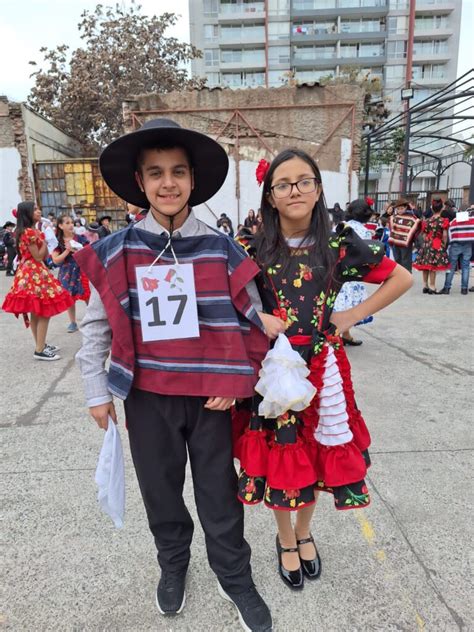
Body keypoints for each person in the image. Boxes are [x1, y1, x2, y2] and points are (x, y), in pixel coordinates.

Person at [74, 118, 272, 632]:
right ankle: (172, 566)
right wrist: (98, 393)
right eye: (156, 172)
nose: (168, 183)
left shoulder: (222, 248)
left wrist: (235, 382)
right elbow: (96, 326)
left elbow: (249, 321)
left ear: (192, 180)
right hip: (147, 397)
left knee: (218, 494)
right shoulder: (116, 251)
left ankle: (235, 577)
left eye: (178, 172)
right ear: (140, 182)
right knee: (161, 491)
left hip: (210, 399)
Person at [233, 148, 412, 591]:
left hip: (323, 370)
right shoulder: (250, 248)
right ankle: (284, 538)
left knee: (316, 452)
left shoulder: (340, 245)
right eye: (283, 184)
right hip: (275, 371)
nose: (294, 190)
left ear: (316, 189)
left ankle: (306, 530)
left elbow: (400, 278)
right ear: (270, 196)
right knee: (281, 454)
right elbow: (223, 300)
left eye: (304, 181)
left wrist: (350, 317)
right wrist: (258, 320)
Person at [1, 202, 73, 360]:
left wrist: (43, 239)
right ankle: (40, 350)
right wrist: (46, 241)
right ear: (27, 213)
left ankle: (40, 344)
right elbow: (39, 256)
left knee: (36, 311)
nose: (39, 211)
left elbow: (40, 255)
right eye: (35, 209)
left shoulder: (27, 231)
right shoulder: (29, 232)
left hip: (30, 271)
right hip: (34, 272)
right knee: (43, 310)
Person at [333, 199, 376, 346]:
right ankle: (338, 334)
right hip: (354, 271)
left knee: (339, 302)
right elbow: (367, 253)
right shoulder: (364, 231)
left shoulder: (339, 226)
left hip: (338, 269)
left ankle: (345, 334)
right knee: (349, 304)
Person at [51, 215, 90, 332]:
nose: (71, 225)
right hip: (67, 272)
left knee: (87, 296)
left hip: (81, 270)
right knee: (70, 298)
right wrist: (67, 250)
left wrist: (78, 250)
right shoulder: (58, 242)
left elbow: (89, 252)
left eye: (72, 222)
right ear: (60, 226)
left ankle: (93, 319)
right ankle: (73, 322)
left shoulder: (81, 238)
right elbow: (55, 260)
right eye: (67, 223)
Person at [413, 198, 450, 293]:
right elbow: (445, 235)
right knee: (433, 266)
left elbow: (424, 234)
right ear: (442, 209)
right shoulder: (444, 220)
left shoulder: (427, 221)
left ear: (432, 209)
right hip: (437, 243)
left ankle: (425, 285)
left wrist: (427, 242)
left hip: (427, 243)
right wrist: (443, 245)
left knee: (425, 264)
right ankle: (432, 286)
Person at [439, 206, 474, 295]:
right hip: (468, 245)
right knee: (465, 267)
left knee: (451, 267)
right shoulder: (471, 222)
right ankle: (464, 289)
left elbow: (450, 234)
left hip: (455, 245)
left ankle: (447, 288)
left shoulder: (454, 222)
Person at [388, 198, 421, 273]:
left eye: (402, 208)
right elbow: (392, 227)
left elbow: (416, 225)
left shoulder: (411, 217)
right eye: (398, 209)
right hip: (395, 242)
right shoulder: (395, 217)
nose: (400, 210)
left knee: (406, 259)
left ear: (406, 207)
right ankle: (399, 275)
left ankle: (407, 274)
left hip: (406, 243)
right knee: (397, 258)